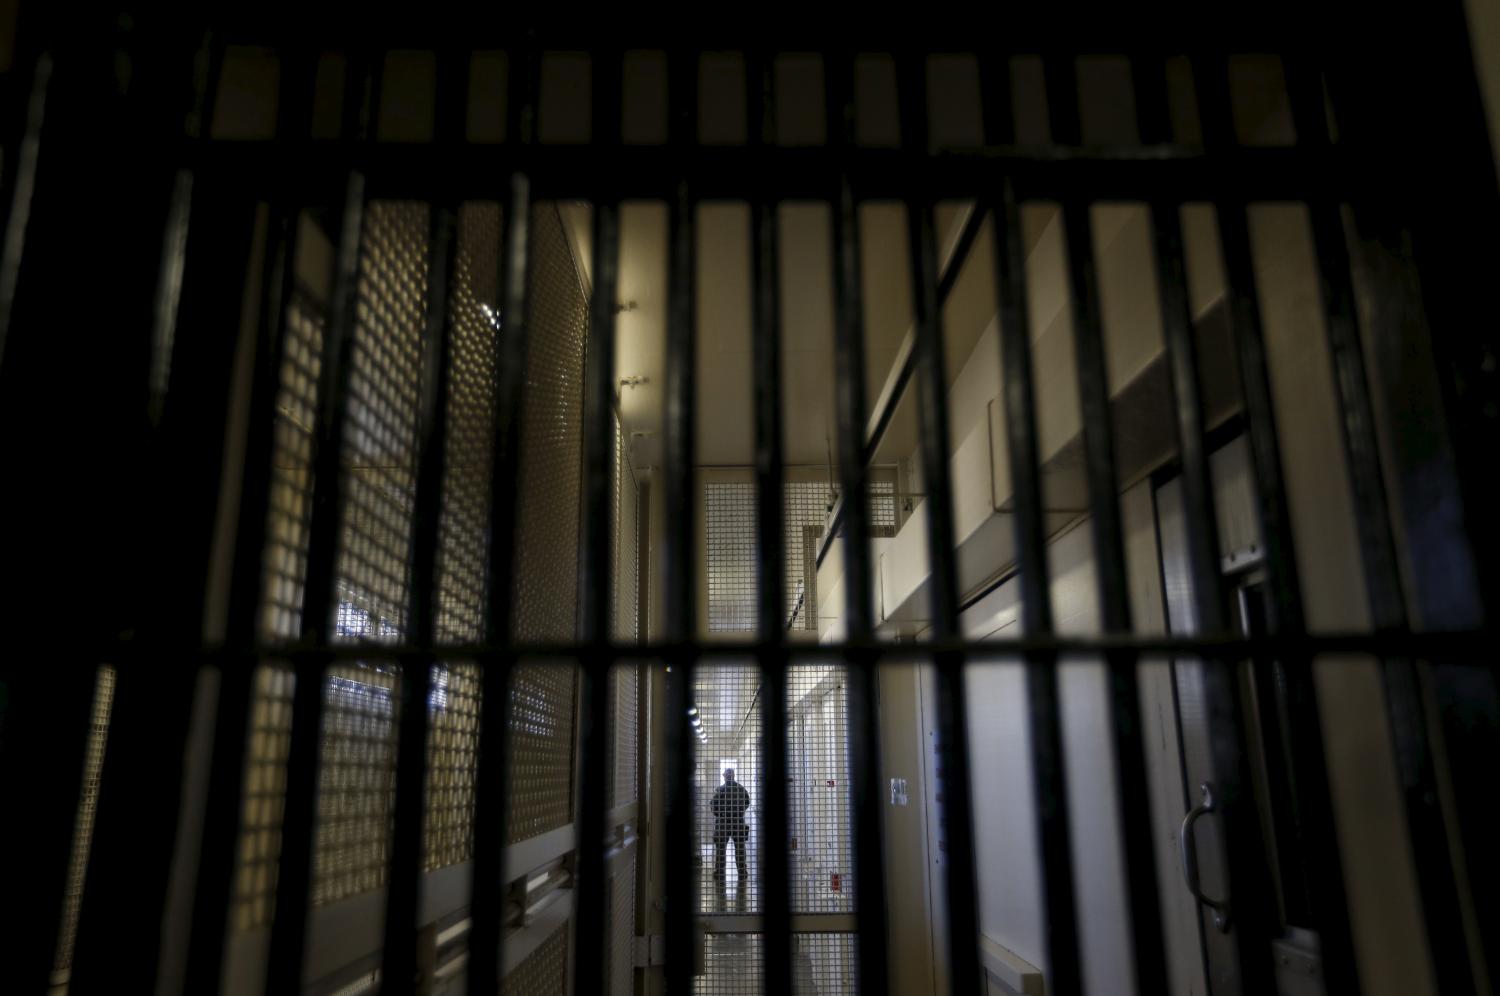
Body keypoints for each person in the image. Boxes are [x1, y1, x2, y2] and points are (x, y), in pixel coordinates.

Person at [711, 767, 750, 882]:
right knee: (740, 848)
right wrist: (739, 812)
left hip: (723, 823)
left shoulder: (720, 790)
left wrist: (720, 814)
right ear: (733, 776)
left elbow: (714, 807)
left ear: (724, 776)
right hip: (738, 822)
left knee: (721, 849)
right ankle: (742, 871)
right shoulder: (741, 789)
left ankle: (719, 871)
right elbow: (747, 803)